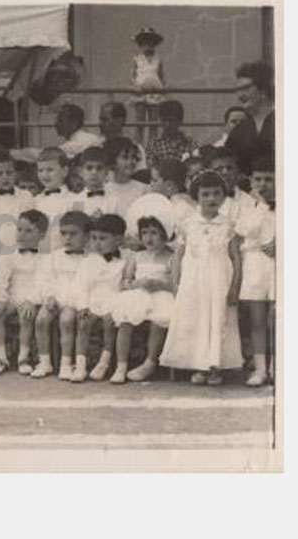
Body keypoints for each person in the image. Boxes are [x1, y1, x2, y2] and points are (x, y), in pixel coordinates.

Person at [160, 171, 243, 385]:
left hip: (219, 280)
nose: (211, 198)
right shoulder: (188, 224)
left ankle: (215, 366)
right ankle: (199, 365)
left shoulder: (228, 225)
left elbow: (236, 257)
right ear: (196, 197)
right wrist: (176, 282)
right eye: (205, 194)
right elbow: (179, 255)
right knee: (195, 318)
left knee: (217, 319)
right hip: (194, 281)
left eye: (216, 193)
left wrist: (235, 286)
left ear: (223, 195)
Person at [110, 209, 176, 383]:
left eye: (154, 233)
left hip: (162, 294)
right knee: (126, 319)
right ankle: (121, 365)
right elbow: (124, 283)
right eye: (145, 233)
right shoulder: (137, 256)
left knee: (158, 320)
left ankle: (150, 362)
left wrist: (160, 284)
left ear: (165, 235)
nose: (148, 238)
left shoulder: (172, 257)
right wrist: (137, 284)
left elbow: (177, 285)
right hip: (138, 295)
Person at [0, 209, 49, 376]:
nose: (22, 235)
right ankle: (1, 357)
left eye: (29, 231)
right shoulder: (8, 254)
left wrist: (31, 301)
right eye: (19, 229)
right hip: (12, 297)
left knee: (26, 315)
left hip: (31, 299)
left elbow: (42, 282)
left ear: (42, 235)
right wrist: (1, 299)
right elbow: (1, 278)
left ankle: (23, 357)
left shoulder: (44, 258)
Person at [34, 210, 92, 381]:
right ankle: (44, 362)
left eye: (73, 234)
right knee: (41, 319)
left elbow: (87, 285)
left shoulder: (90, 259)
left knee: (66, 320)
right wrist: (50, 296)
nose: (67, 238)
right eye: (64, 233)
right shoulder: (54, 256)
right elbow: (45, 278)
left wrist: (77, 303)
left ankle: (65, 364)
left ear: (86, 236)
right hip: (56, 296)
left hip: (76, 300)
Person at [235, 156, 276, 386]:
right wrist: (261, 205)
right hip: (255, 264)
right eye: (258, 179)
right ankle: (261, 370)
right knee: (258, 319)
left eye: (269, 179)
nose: (263, 184)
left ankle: (277, 367)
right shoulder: (248, 207)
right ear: (251, 181)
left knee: (277, 318)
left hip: (278, 264)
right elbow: (246, 230)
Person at [72, 214, 128, 382]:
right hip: (93, 301)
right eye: (94, 238)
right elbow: (81, 286)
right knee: (83, 323)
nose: (96, 243)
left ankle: (104, 362)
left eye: (102, 239)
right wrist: (83, 306)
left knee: (109, 322)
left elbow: (125, 285)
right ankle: (80, 365)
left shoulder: (126, 259)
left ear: (118, 239)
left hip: (115, 301)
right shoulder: (89, 261)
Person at [0, 151, 34, 277]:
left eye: (9, 172)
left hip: (19, 258)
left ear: (16, 174)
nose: (5, 177)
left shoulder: (26, 197)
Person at [10, 103, 103, 164]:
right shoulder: (84, 138)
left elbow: (44, 155)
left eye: (60, 120)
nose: (56, 124)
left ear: (74, 123)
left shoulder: (79, 142)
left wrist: (14, 153)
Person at [225, 61, 275, 174]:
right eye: (238, 90)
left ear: (263, 90)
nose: (240, 95)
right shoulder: (239, 130)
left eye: (246, 88)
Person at [32, 147, 74, 251]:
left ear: (64, 171)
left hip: (62, 255)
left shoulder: (73, 200)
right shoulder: (35, 201)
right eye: (40, 170)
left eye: (50, 170)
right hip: (39, 255)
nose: (44, 174)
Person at [103, 137, 149, 218]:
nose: (131, 162)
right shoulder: (104, 190)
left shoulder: (144, 189)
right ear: (112, 161)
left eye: (133, 157)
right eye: (125, 158)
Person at [145, 100, 196, 167]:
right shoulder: (154, 144)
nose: (167, 124)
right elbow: (150, 167)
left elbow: (195, 167)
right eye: (164, 120)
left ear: (180, 121)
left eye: (171, 120)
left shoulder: (190, 144)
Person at [71, 147, 118, 218]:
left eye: (99, 168)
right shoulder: (76, 201)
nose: (94, 172)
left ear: (106, 171)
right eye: (89, 168)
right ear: (81, 172)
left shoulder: (115, 200)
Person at [98, 101, 145, 171]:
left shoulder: (134, 148)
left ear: (119, 121)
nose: (100, 124)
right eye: (100, 120)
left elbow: (139, 173)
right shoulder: (96, 145)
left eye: (105, 120)